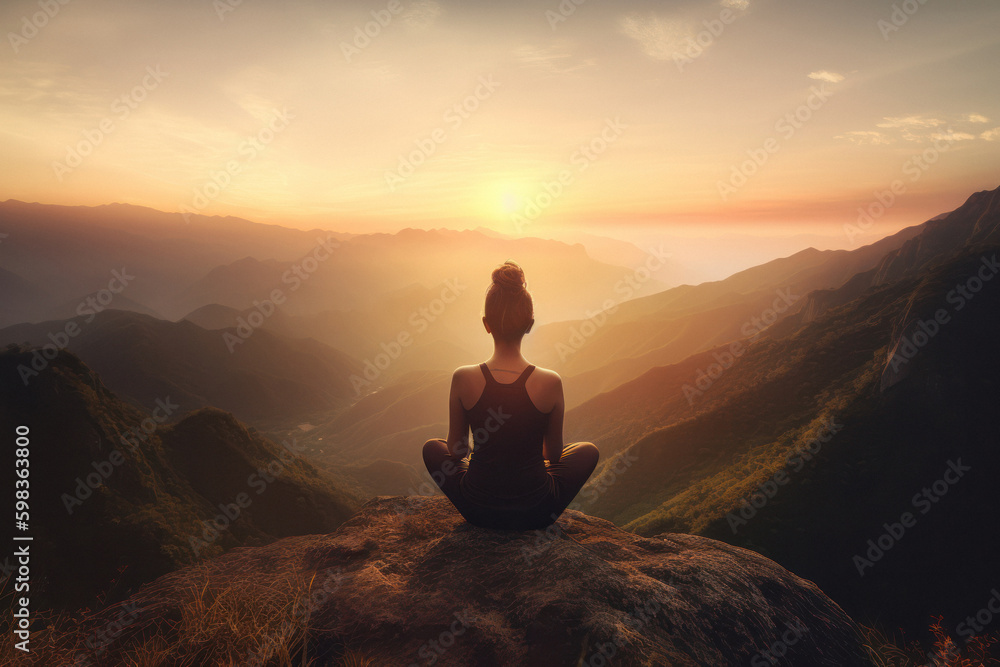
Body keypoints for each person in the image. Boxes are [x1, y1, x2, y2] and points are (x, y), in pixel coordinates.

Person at [422, 261, 600, 530]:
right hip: (536, 511)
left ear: (486, 324)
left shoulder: (463, 377)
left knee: (432, 448)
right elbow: (552, 454)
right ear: (529, 325)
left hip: (478, 509)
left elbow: (458, 451)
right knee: (587, 451)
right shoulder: (550, 382)